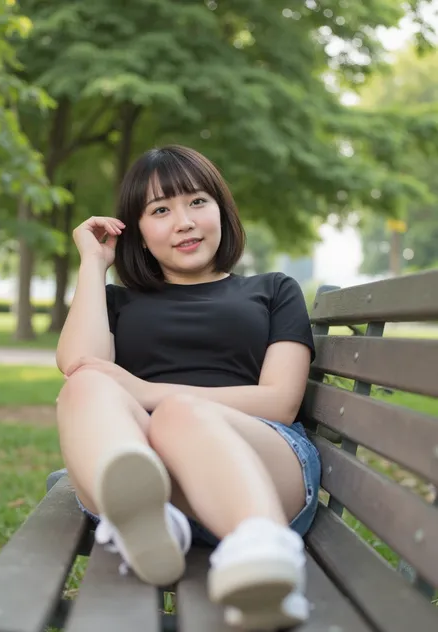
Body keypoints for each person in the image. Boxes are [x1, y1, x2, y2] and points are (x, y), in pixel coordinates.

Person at [55, 145, 321, 631]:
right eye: (160, 210)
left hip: (259, 460)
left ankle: (261, 554)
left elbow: (280, 403)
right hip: (156, 479)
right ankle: (150, 522)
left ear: (221, 209)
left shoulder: (274, 290)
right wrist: (94, 264)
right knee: (85, 385)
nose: (184, 222)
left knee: (180, 414)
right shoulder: (117, 300)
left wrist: (148, 392)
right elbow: (79, 365)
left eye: (197, 202)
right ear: (136, 230)